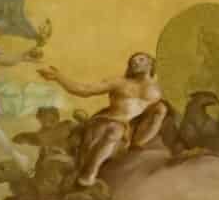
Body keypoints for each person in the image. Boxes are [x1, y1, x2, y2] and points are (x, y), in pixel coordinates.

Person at [36, 53, 170, 190]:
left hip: (132, 131)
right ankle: (87, 175)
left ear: (151, 63)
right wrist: (59, 77)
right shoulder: (119, 83)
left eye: (141, 59)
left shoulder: (158, 89)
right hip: (107, 122)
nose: (135, 62)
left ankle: (138, 144)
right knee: (116, 128)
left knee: (161, 108)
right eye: (132, 61)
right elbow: (84, 90)